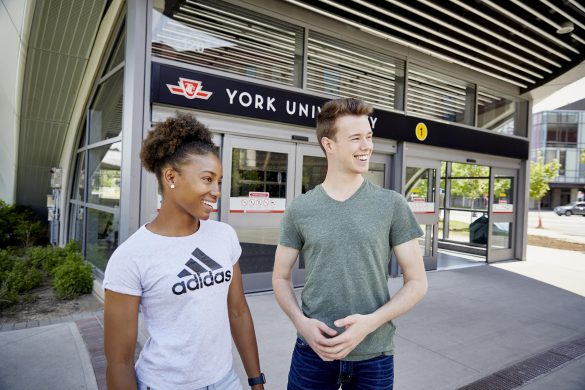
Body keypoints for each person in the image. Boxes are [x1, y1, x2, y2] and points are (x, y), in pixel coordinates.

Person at [272, 98, 428, 389]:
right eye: (356, 138)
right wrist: (301, 324)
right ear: (329, 145)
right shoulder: (300, 209)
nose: (367, 146)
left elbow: (417, 282)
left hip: (374, 355)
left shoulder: (391, 204)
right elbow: (280, 277)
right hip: (313, 354)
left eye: (368, 137)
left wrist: (370, 323)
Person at [104, 113, 265, 390]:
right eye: (207, 179)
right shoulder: (130, 256)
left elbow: (238, 312)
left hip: (225, 381)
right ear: (171, 177)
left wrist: (256, 381)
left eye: (219, 181)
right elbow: (119, 362)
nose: (216, 191)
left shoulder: (223, 236)